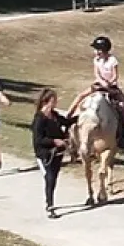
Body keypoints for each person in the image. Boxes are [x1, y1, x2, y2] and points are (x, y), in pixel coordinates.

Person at [72, 36, 124, 150]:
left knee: (123, 102)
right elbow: (97, 74)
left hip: (110, 86)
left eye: (98, 50)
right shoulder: (96, 60)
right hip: (99, 84)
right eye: (96, 50)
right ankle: (69, 116)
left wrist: (109, 83)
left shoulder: (113, 60)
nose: (96, 52)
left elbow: (115, 75)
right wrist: (102, 82)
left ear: (104, 50)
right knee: (81, 96)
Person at [31, 89, 76, 219]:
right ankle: (50, 205)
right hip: (45, 153)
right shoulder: (39, 119)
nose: (56, 102)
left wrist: (81, 116)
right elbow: (38, 140)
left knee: (53, 178)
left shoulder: (55, 115)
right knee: (50, 178)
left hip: (57, 152)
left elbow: (67, 122)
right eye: (54, 100)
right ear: (46, 101)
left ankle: (49, 200)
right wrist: (54, 141)